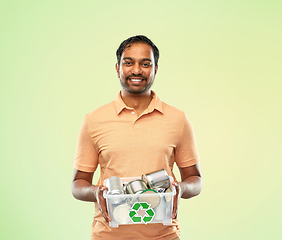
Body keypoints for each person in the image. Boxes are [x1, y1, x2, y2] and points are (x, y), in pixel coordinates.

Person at [71, 35, 202, 240]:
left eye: (146, 63)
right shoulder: (94, 121)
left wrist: (181, 189)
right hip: (107, 235)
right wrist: (97, 192)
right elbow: (78, 184)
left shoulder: (178, 119)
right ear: (117, 68)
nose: (137, 70)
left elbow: (195, 180)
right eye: (128, 62)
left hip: (164, 235)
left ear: (155, 69)